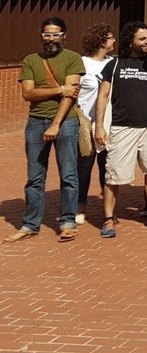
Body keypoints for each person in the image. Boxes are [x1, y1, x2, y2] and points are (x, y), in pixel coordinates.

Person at [5, 18, 84, 243]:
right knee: (34, 177)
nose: (51, 39)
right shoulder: (31, 60)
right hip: (35, 122)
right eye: (47, 34)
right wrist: (59, 88)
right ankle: (31, 224)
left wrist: (56, 124)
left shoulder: (72, 58)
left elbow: (71, 96)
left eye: (55, 34)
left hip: (65, 122)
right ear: (41, 36)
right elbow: (28, 94)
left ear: (64, 36)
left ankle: (68, 222)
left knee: (68, 174)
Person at [93, 21, 147, 239]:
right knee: (114, 175)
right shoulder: (115, 65)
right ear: (131, 41)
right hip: (122, 127)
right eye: (142, 39)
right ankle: (109, 218)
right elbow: (102, 97)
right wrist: (100, 126)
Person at [76, 23, 114, 226]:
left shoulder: (113, 63)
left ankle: (108, 210)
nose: (114, 41)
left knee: (106, 167)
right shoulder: (81, 63)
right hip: (85, 123)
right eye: (110, 37)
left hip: (107, 124)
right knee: (83, 167)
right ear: (101, 41)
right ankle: (79, 206)